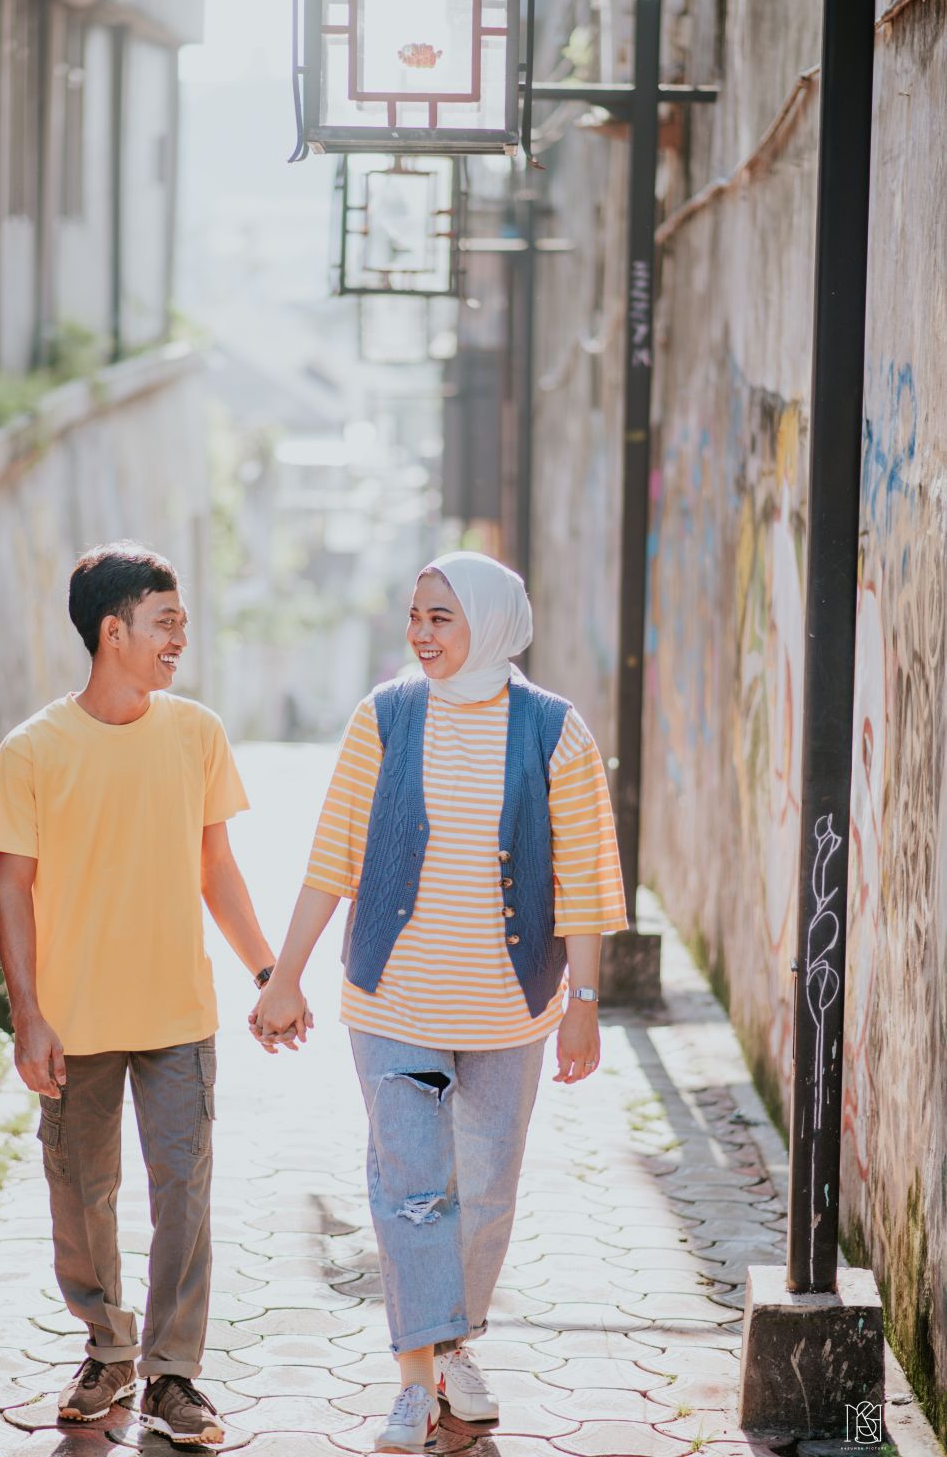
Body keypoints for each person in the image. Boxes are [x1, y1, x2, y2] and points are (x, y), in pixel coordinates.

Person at [251, 550, 629, 1454]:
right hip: (396, 1004)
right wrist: (286, 975)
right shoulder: (385, 717)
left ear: (490, 623)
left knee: (487, 1191)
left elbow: (584, 878)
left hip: (510, 1009)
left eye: (440, 617)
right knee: (412, 1192)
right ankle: (416, 1382)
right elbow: (333, 855)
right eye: (415, 616)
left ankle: (456, 1342)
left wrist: (584, 1000)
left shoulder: (555, 731)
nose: (419, 633)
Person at [0, 541, 278, 1448]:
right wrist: (29, 1016)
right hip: (74, 1020)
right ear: (114, 632)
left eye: (181, 621)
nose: (180, 638)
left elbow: (216, 868)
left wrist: (270, 973)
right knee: (81, 1192)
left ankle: (173, 1373)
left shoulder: (196, 734)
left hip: (178, 1012)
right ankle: (108, 1347)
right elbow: (13, 891)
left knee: (184, 1189)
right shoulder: (33, 749)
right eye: (164, 622)